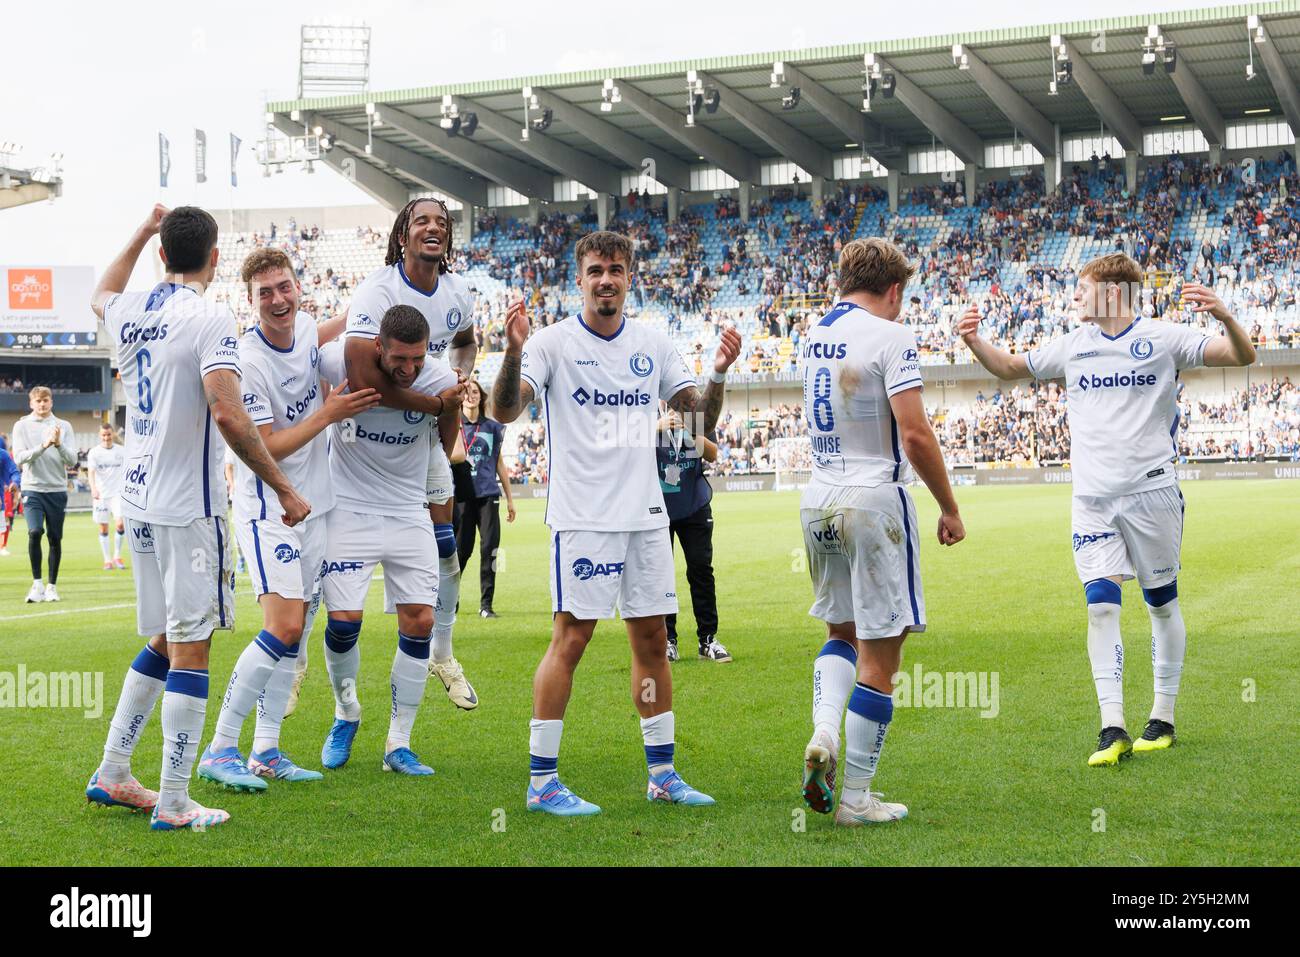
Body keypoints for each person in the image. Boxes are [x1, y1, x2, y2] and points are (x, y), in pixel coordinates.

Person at [957, 253, 1256, 766]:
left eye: (1082, 288)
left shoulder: (1165, 338)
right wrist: (972, 340)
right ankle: (1111, 726)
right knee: (1100, 605)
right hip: (1092, 501)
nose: (1074, 296)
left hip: (1153, 495)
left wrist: (1225, 316)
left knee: (1161, 604)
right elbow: (1008, 368)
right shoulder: (1073, 346)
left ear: (1113, 292)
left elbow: (1241, 357)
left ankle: (1161, 718)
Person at [492, 230, 742, 817]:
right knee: (571, 640)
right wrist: (510, 350)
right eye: (596, 270)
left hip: (646, 517)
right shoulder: (551, 344)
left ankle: (662, 773)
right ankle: (542, 781)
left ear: (631, 277)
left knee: (652, 641)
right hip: (583, 519)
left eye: (617, 270)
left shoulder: (654, 343)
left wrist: (721, 372)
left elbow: (696, 421)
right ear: (580, 279)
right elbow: (504, 410)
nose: (607, 279)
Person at [85, 204, 310, 832]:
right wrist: (285, 489)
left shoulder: (132, 311)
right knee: (191, 648)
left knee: (163, 636)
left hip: (140, 502)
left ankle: (113, 772)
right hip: (190, 509)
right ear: (215, 258)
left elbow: (102, 291)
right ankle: (177, 800)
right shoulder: (211, 317)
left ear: (161, 254)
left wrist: (138, 228)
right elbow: (230, 414)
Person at [798, 238, 965, 827]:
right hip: (873, 498)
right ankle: (856, 799)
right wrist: (949, 506)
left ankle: (824, 731)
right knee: (882, 651)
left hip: (817, 499)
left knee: (840, 632)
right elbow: (915, 434)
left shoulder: (812, 334)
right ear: (894, 291)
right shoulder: (893, 337)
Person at [198, 247, 379, 790]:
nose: (278, 299)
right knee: (283, 627)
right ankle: (220, 747)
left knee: (295, 639)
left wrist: (376, 295)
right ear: (249, 301)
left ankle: (267, 750)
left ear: (298, 287)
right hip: (269, 512)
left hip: (317, 510)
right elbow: (266, 444)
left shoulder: (303, 327)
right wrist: (329, 413)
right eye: (265, 293)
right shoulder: (246, 360)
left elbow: (331, 329)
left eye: (284, 287)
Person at [332, 197, 480, 711]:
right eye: (422, 221)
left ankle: (443, 653)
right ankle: (305, 666)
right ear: (403, 234)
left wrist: (454, 381)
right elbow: (360, 375)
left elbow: (464, 341)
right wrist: (435, 401)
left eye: (442, 222)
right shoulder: (378, 290)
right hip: (366, 433)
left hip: (421, 436)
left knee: (445, 550)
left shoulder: (458, 294)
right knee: (321, 571)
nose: (433, 228)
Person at [317, 305, 465, 775]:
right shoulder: (336, 360)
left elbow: (448, 433)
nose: (409, 369)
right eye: (399, 359)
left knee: (420, 620)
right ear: (376, 346)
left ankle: (398, 744)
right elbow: (291, 363)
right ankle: (346, 712)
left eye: (417, 359)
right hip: (348, 508)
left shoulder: (438, 376)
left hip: (407, 510)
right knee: (343, 624)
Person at [654, 408, 730, 663]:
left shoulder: (696, 414)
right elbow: (625, 452)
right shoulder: (644, 409)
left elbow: (712, 453)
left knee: (701, 570)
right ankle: (667, 640)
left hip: (695, 504)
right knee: (661, 574)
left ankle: (707, 639)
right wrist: (656, 428)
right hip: (657, 507)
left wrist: (689, 430)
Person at [453, 378, 515, 619]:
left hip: (489, 494)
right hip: (463, 495)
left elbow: (499, 463)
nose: (472, 395)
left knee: (491, 550)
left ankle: (486, 605)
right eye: (468, 392)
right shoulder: (452, 425)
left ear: (481, 396)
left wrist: (510, 498)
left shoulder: (492, 427)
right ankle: (451, 602)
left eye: (476, 392)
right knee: (460, 551)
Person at [11, 385, 78, 602]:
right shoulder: (21, 426)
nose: (42, 404)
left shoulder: (64, 425)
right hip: (33, 488)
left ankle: (51, 586)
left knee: (55, 538)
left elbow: (73, 460)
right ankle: (37, 584)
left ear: (51, 402)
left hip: (57, 489)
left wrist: (58, 445)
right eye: (38, 401)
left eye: (45, 400)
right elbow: (19, 458)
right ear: (31, 403)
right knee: (34, 531)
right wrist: (43, 445)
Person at [87, 423, 127, 570]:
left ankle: (117, 556)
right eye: (103, 435)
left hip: (118, 494)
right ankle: (107, 559)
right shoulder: (94, 452)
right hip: (101, 495)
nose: (106, 438)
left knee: (120, 524)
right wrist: (93, 489)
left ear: (113, 434)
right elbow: (91, 473)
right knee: (103, 528)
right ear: (100, 435)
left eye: (109, 434)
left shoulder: (122, 451)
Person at [0, 435, 18, 557]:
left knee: (5, 520)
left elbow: (14, 472)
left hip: (4, 494)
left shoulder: (4, 455)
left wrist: (15, 484)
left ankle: (2, 546)